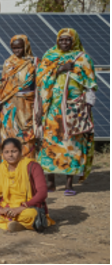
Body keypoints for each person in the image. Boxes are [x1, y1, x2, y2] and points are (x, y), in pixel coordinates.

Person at [36, 29, 98, 196]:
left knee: (72, 145)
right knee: (50, 144)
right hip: (53, 109)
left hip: (74, 109)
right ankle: (51, 182)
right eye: (61, 40)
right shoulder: (50, 56)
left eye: (67, 40)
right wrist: (60, 68)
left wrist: (87, 106)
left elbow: (90, 84)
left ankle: (69, 183)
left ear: (74, 41)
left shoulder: (83, 58)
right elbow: (40, 79)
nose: (64, 43)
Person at [0, 138, 55, 232]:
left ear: (20, 151)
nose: (10, 155)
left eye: (14, 151)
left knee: (32, 214)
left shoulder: (33, 166)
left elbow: (42, 193)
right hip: (5, 208)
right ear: (2, 154)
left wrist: (22, 208)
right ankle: (10, 224)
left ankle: (2, 221)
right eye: (6, 152)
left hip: (26, 208)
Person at [0, 35, 38, 159]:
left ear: (26, 46)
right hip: (9, 106)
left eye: (19, 47)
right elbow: (2, 85)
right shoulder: (8, 63)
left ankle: (27, 167)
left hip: (26, 105)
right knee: (8, 136)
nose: (17, 50)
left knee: (26, 136)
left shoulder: (34, 62)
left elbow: (39, 85)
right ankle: (9, 167)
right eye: (14, 48)